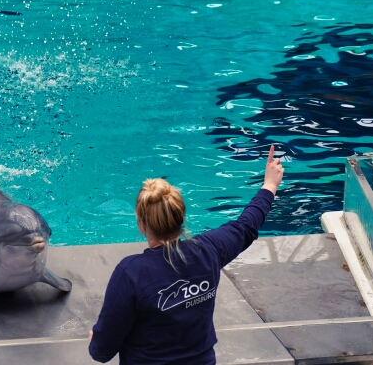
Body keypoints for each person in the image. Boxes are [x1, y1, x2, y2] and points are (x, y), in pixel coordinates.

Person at [88, 146, 285, 364]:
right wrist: (270, 185)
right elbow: (247, 225)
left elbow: (102, 352)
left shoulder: (131, 274)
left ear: (142, 224)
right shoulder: (209, 250)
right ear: (181, 219)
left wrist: (96, 342)